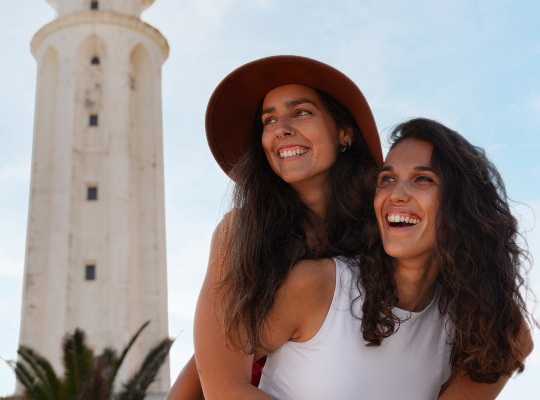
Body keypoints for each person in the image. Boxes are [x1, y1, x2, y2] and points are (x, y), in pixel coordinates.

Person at [166, 57, 533, 399]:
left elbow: (508, 330)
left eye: (302, 112)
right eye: (268, 120)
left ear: (344, 132)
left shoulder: (387, 208)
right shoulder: (245, 232)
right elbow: (214, 375)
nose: (282, 129)